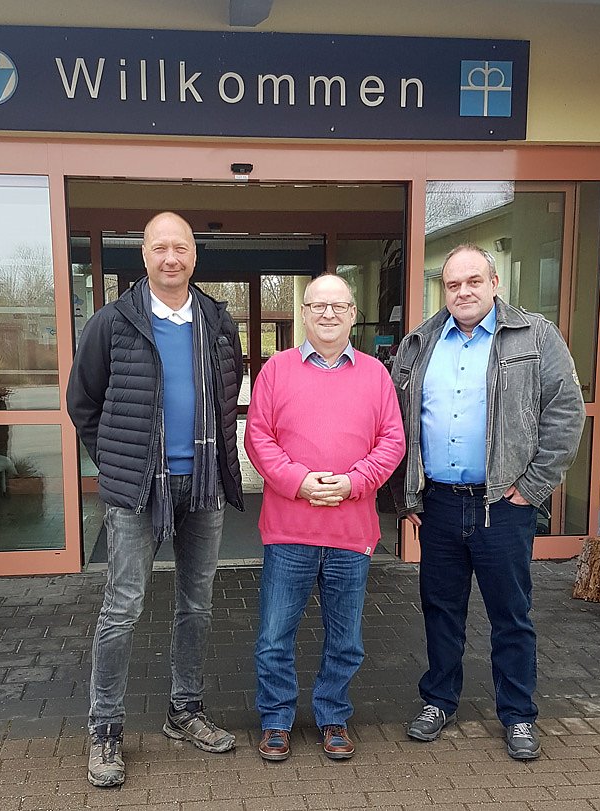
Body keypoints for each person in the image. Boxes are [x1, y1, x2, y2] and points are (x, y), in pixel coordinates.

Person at [66, 212, 244, 788]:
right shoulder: (113, 321)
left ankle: (184, 711)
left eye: (181, 247)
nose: (171, 257)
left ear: (195, 255)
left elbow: (228, 389)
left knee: (197, 604)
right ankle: (105, 728)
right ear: (143, 255)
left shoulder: (217, 321)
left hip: (203, 485)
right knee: (123, 607)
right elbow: (83, 402)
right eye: (160, 247)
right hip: (136, 490)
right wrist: (118, 461)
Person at [389, 244, 584, 760]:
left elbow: (565, 414)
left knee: (510, 615)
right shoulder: (420, 342)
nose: (463, 292)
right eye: (453, 284)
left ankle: (518, 715)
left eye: (473, 281)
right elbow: (397, 420)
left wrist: (532, 488)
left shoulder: (536, 336)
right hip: (439, 504)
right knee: (441, 610)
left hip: (503, 504)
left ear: (495, 283)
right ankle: (438, 700)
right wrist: (407, 493)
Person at [245, 273, 405, 762]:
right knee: (274, 638)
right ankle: (276, 720)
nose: (328, 314)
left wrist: (354, 483)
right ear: (305, 313)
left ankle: (333, 715)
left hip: (351, 532)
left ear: (353, 314)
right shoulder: (276, 370)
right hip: (289, 531)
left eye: (339, 306)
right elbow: (258, 438)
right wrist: (299, 481)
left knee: (346, 640)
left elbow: (392, 442)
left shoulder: (376, 375)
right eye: (318, 305)